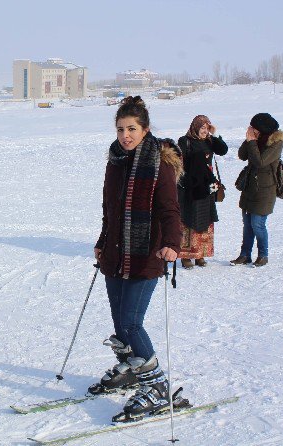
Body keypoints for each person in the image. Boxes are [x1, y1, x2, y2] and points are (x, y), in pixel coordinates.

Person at [90, 96, 185, 420]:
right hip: (115, 253)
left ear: (145, 129)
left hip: (146, 254)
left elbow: (170, 210)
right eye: (120, 129)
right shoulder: (115, 161)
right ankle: (131, 369)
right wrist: (102, 241)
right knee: (120, 321)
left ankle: (157, 387)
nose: (125, 135)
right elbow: (110, 211)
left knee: (132, 323)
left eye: (131, 129)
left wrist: (172, 242)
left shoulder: (160, 164)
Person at [230, 113, 283, 267]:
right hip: (250, 187)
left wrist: (252, 142)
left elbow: (260, 161)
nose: (251, 129)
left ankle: (263, 255)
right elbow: (242, 155)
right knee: (247, 224)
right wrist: (248, 140)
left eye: (254, 127)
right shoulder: (256, 140)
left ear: (262, 129)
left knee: (257, 224)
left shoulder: (276, 142)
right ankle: (244, 254)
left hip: (265, 190)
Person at [177, 115, 228, 269]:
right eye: (202, 128)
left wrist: (213, 134)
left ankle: (200, 254)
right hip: (190, 185)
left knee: (206, 218)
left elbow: (223, 150)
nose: (205, 131)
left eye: (207, 128)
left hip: (207, 185)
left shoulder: (209, 141)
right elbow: (182, 161)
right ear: (195, 127)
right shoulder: (184, 141)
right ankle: (186, 256)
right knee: (188, 218)